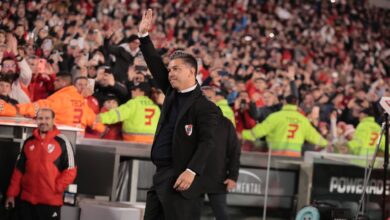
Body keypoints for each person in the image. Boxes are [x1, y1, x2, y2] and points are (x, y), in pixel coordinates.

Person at [139, 9, 220, 220]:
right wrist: (144, 36)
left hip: (181, 181)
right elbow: (155, 65)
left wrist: (191, 171)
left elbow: (207, 142)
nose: (170, 73)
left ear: (191, 73)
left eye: (176, 69)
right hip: (160, 177)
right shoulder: (171, 92)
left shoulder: (205, 107)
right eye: (170, 69)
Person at [5, 108, 77, 220]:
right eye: (40, 118)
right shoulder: (28, 142)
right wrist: (11, 194)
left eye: (47, 118)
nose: (43, 121)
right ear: (36, 121)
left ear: (53, 120)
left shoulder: (63, 142)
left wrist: (56, 187)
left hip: (49, 204)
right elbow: (18, 171)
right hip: (26, 202)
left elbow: (71, 170)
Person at [0, 72, 106, 134]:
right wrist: (105, 130)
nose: (54, 82)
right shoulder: (83, 104)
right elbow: (97, 124)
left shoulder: (61, 98)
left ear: (64, 83)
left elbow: (33, 108)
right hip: (77, 146)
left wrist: (7, 108)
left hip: (58, 142)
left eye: (57, 80)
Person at [242, 95, 328, 157]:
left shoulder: (276, 116)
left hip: (274, 156)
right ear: (296, 105)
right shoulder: (303, 120)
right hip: (294, 158)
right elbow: (314, 136)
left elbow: (259, 131)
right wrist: (326, 143)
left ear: (285, 103)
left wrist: (242, 134)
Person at [204, 113, 240, 220]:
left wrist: (233, 176)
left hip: (217, 177)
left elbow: (234, 152)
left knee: (221, 214)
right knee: (188, 214)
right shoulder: (193, 119)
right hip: (193, 176)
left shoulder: (226, 123)